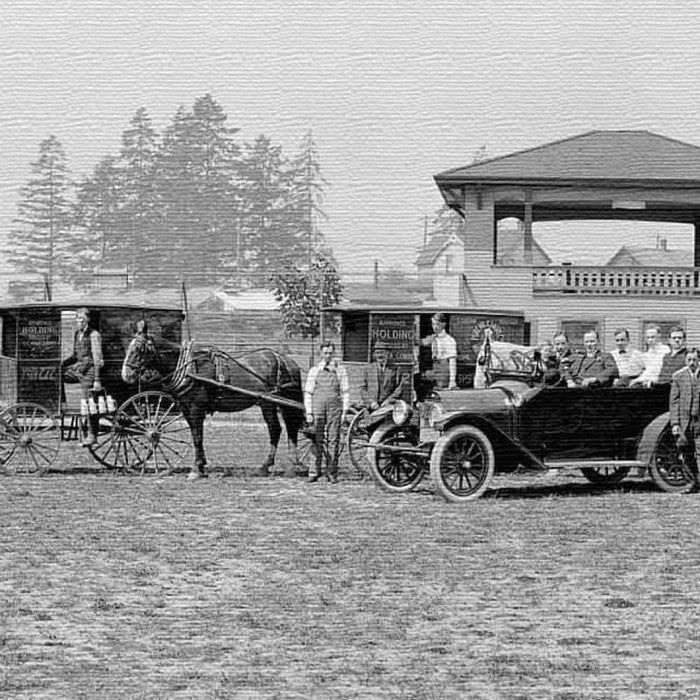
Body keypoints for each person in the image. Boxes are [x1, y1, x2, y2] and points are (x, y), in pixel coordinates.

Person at [304, 341, 350, 484]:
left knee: (333, 440)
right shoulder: (314, 371)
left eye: (330, 353)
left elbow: (346, 391)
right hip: (318, 408)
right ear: (321, 354)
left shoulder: (340, 370)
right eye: (325, 353)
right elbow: (308, 393)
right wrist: (309, 413)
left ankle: (331, 472)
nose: (328, 356)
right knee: (315, 439)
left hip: (335, 409)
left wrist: (344, 411)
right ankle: (313, 472)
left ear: (334, 353)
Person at [62, 307, 104, 446]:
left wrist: (97, 379)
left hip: (91, 371)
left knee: (90, 402)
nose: (78, 321)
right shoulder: (77, 334)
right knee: (59, 376)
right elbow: (75, 356)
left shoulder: (94, 335)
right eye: (77, 318)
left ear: (87, 320)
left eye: (81, 318)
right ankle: (63, 404)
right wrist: (62, 364)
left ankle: (92, 435)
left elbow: (97, 358)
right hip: (80, 369)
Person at [669, 348, 700, 487]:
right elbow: (674, 402)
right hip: (685, 422)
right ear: (685, 360)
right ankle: (692, 483)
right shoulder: (678, 376)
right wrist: (675, 423)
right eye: (689, 360)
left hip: (699, 421)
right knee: (685, 451)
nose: (692, 363)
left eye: (694, 359)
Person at [360, 340, 407, 411]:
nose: (379, 355)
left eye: (382, 352)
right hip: (371, 408)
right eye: (377, 353)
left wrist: (389, 400)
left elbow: (399, 388)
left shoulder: (396, 369)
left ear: (388, 353)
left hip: (388, 408)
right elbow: (363, 389)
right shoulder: (368, 369)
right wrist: (371, 402)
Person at [420, 313, 457, 390]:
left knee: (440, 389)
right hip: (434, 367)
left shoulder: (449, 340)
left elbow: (452, 362)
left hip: (443, 369)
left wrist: (452, 381)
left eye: (437, 324)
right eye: (433, 324)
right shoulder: (433, 338)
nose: (435, 327)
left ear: (443, 324)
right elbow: (422, 342)